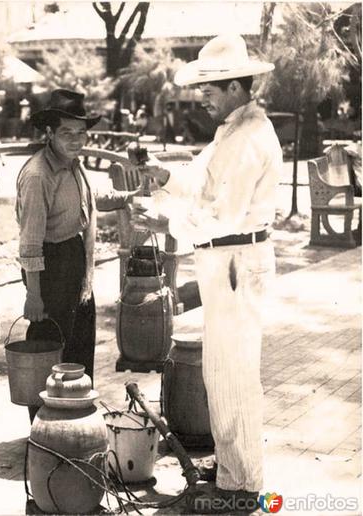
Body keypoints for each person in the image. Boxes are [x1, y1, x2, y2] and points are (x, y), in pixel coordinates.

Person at [130, 34, 282, 512]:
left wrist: (166, 221)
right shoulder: (233, 131)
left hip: (236, 261)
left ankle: (241, 487)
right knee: (221, 373)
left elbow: (223, 214)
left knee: (233, 375)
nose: (203, 95)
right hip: (227, 264)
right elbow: (199, 178)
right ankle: (235, 467)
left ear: (236, 87)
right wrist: (164, 176)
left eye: (211, 87)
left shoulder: (247, 140)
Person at [17, 89, 134, 421]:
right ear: (49, 133)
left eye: (81, 133)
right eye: (67, 132)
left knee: (79, 349)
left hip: (75, 263)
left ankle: (76, 423)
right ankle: (45, 429)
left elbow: (89, 199)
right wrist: (34, 295)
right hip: (50, 266)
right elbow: (30, 243)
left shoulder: (71, 166)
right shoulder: (39, 174)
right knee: (49, 349)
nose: (76, 139)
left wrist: (130, 195)